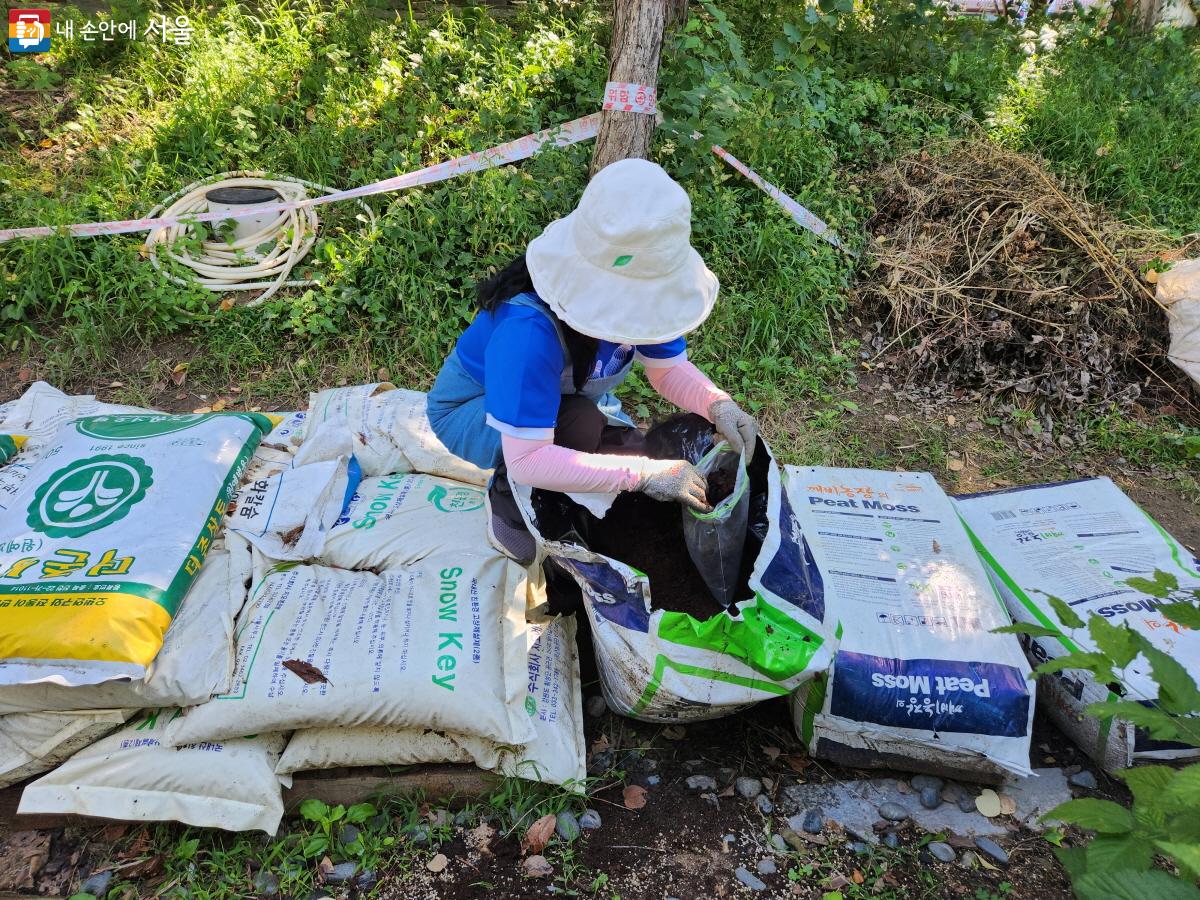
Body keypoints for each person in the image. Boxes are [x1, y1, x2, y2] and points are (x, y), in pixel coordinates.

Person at [427, 158, 759, 562]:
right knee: (579, 424)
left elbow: (668, 369)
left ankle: (589, 448)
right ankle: (507, 500)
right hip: (471, 411)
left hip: (559, 398)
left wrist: (716, 402)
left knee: (605, 434)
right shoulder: (528, 332)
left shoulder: (644, 296)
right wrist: (641, 475)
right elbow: (529, 459)